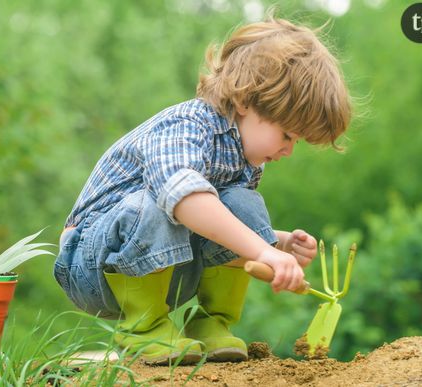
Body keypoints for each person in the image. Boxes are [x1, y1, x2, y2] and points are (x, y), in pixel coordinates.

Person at [54, 13, 351, 366]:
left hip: (169, 271)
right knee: (167, 200)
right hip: (92, 269)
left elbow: (215, 225)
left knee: (242, 201)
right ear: (245, 101)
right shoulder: (186, 126)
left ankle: (211, 325)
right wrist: (263, 250)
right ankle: (143, 328)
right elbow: (184, 202)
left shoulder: (247, 158)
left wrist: (278, 241)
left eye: (297, 141)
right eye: (286, 134)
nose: (288, 149)